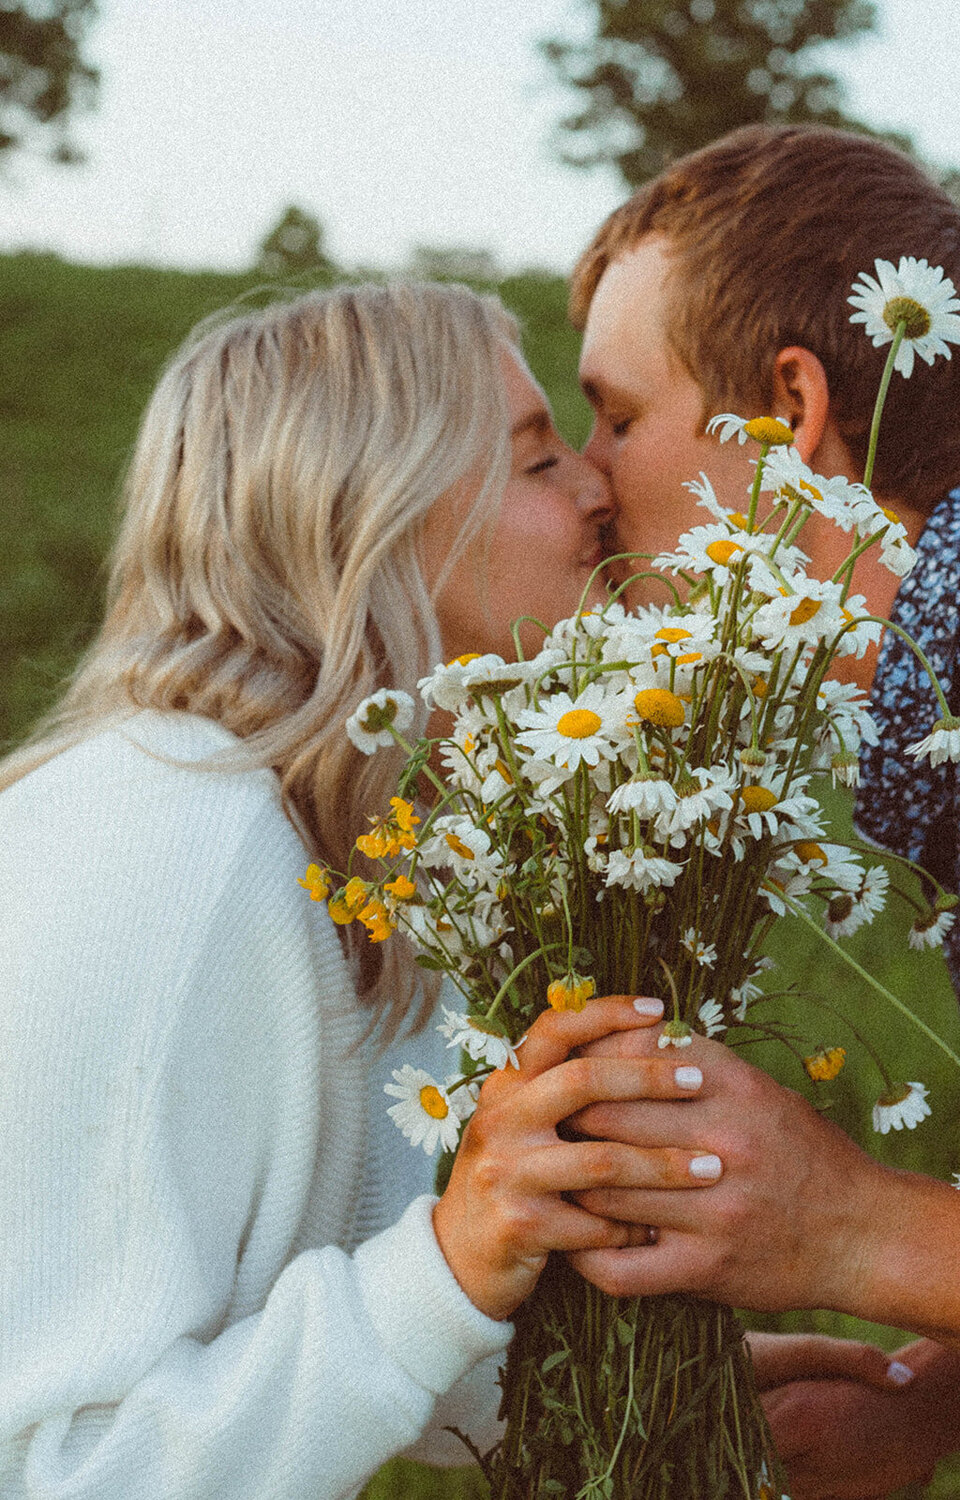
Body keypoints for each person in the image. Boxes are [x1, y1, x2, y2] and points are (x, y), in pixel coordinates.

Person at [0, 280, 724, 1499]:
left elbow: (296, 1296)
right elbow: (56, 1465)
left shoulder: (344, 837)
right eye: (538, 457)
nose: (598, 488)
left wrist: (685, 1380)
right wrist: (445, 1266)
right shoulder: (181, 850)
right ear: (375, 518)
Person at [560, 125, 960, 1500]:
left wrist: (851, 1228)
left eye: (618, 418)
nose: (589, 487)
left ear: (786, 411)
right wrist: (916, 1408)